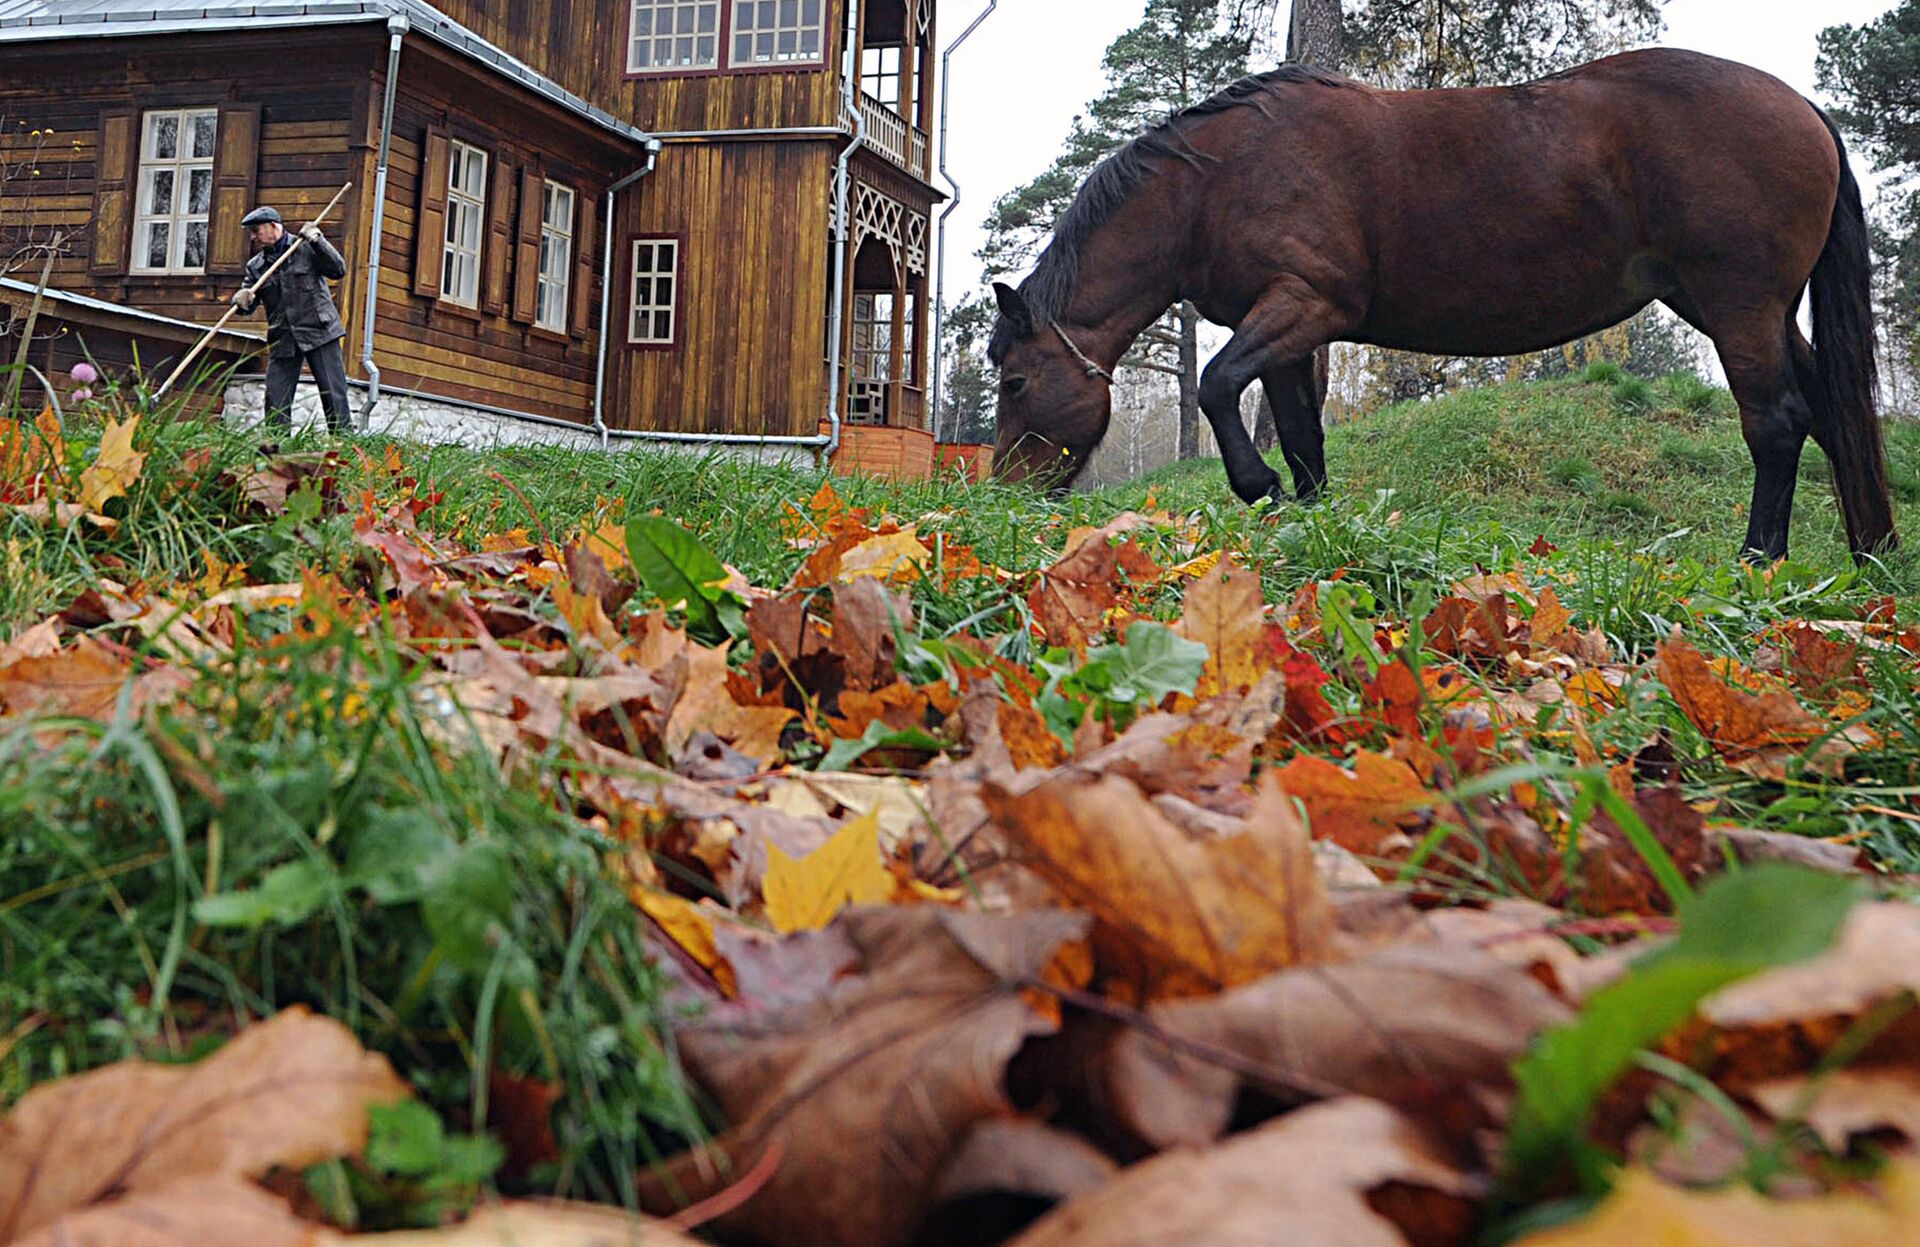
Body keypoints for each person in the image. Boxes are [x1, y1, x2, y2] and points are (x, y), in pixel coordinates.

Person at [230, 205, 350, 433]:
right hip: (283, 336)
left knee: (333, 394)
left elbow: (338, 270)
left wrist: (318, 240)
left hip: (319, 330)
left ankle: (344, 445)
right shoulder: (256, 266)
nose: (253, 237)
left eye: (256, 230)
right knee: (275, 399)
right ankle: (276, 450)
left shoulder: (306, 248)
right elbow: (247, 303)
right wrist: (240, 300)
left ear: (273, 226)